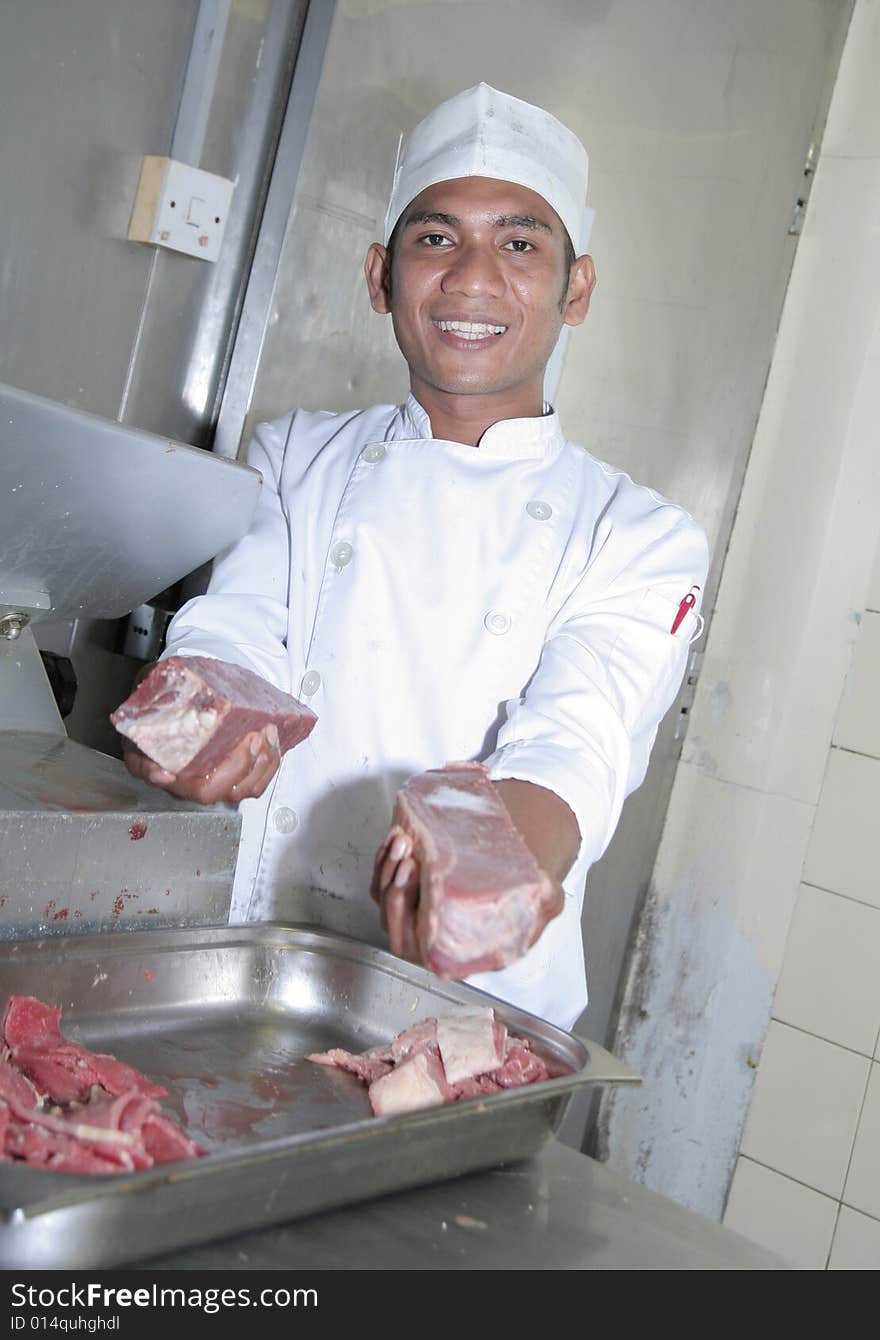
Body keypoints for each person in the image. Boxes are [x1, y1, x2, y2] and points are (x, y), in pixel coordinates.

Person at [124, 84, 708, 1030]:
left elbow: (577, 737)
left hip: (470, 1012)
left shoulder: (638, 534)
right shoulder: (294, 454)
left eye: (520, 244)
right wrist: (194, 720)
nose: (473, 279)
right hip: (257, 956)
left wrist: (485, 871)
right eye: (436, 239)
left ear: (578, 288)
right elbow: (239, 627)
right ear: (378, 275)